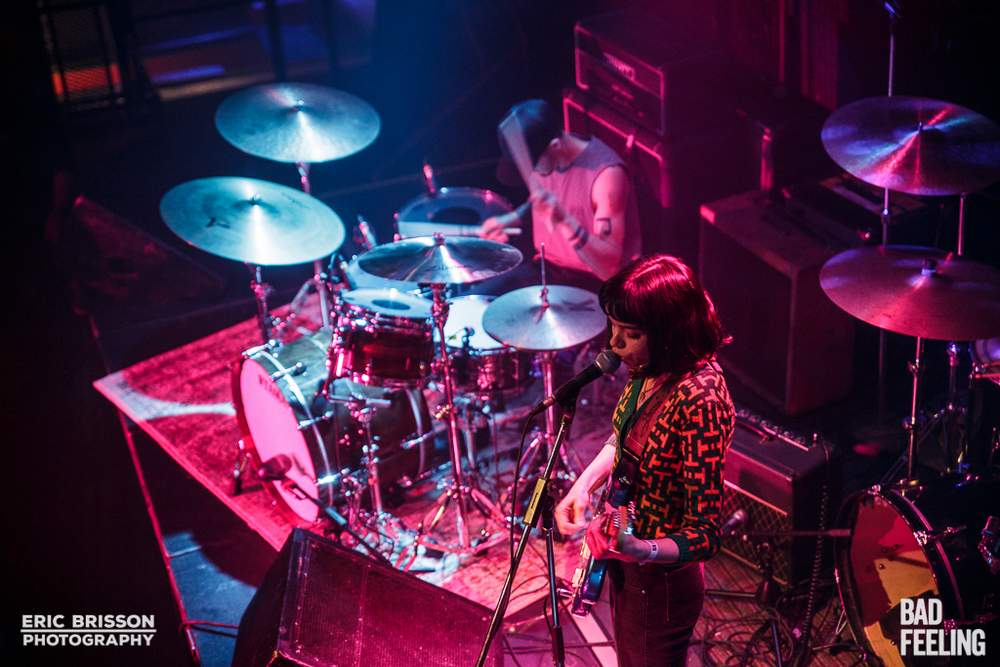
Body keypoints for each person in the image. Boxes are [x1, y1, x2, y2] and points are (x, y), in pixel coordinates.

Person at [555, 254, 735, 667]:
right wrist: (581, 487)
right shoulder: (649, 369)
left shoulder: (700, 400)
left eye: (630, 333)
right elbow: (624, 438)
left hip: (661, 586)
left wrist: (640, 548)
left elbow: (706, 535)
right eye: (613, 327)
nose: (613, 345)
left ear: (670, 333)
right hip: (629, 564)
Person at [476, 99, 641, 294]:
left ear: (554, 146)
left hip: (596, 284)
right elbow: (540, 201)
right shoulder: (545, 159)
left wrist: (565, 222)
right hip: (547, 269)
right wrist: (510, 220)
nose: (531, 172)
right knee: (478, 300)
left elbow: (609, 268)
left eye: (534, 165)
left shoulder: (606, 177)